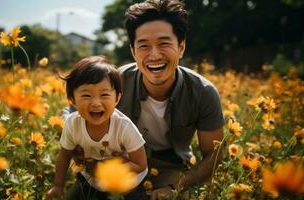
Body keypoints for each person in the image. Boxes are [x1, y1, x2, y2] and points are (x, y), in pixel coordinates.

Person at [118, 0, 224, 199]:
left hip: (173, 165)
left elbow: (214, 154)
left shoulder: (204, 92)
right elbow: (75, 114)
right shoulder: (116, 83)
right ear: (133, 51)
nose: (155, 55)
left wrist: (177, 186)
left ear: (181, 47)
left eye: (164, 43)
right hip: (123, 162)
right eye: (143, 46)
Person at [46, 56, 148, 200]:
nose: (96, 103)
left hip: (127, 182)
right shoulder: (72, 123)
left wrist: (107, 171)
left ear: (117, 98)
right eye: (86, 95)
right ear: (72, 99)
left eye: (104, 94)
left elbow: (140, 164)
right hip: (90, 179)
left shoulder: (124, 126)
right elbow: (65, 155)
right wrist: (58, 185)